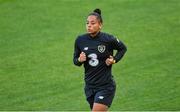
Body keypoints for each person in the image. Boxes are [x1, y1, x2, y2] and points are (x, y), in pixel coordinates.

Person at [73, 8, 127, 111]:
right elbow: (75, 61)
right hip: (89, 87)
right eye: (87, 23)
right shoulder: (80, 40)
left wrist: (114, 60)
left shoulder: (108, 39)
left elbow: (123, 48)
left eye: (93, 23)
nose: (89, 25)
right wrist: (79, 60)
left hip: (105, 87)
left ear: (100, 25)